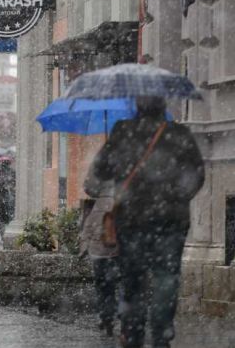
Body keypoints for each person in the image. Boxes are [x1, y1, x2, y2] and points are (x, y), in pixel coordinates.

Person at [87, 96, 204, 348]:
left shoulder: (122, 131)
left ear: (137, 106)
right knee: (166, 277)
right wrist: (177, 197)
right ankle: (161, 332)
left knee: (133, 279)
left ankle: (132, 333)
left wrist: (114, 183)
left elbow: (98, 173)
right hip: (171, 221)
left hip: (132, 221)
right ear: (163, 107)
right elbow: (197, 174)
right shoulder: (179, 133)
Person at [81, 173, 120, 337]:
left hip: (99, 249)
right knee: (109, 286)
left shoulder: (97, 205)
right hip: (113, 250)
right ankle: (109, 315)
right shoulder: (118, 202)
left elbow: (87, 230)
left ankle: (105, 316)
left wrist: (83, 249)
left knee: (102, 285)